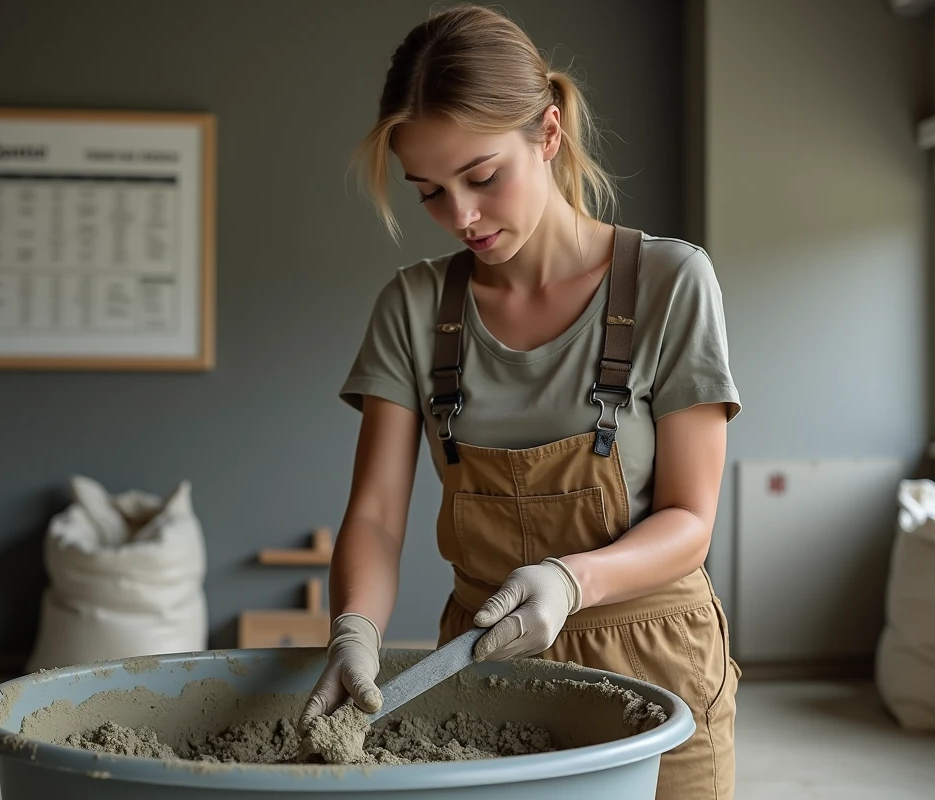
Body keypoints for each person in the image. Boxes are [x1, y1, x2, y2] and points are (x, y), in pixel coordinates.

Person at [298, 4, 742, 797]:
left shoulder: (672, 283)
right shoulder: (412, 307)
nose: (460, 217)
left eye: (482, 177)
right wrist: (354, 632)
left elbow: (690, 521)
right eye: (429, 192)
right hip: (482, 670)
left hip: (655, 664)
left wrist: (571, 582)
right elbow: (376, 516)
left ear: (548, 132)